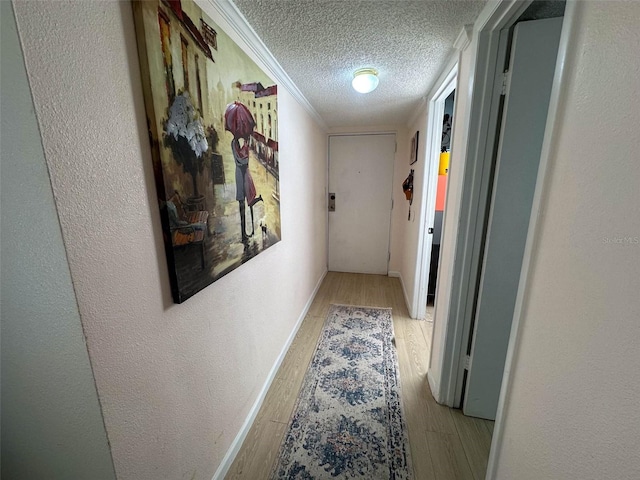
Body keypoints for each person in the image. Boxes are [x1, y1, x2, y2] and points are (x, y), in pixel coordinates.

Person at [231, 135, 262, 240]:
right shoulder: (234, 143)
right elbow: (240, 161)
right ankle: (243, 232)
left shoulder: (241, 143)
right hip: (240, 176)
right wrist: (246, 158)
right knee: (241, 203)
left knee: (249, 201)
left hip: (245, 175)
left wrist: (246, 155)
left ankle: (250, 230)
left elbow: (244, 160)